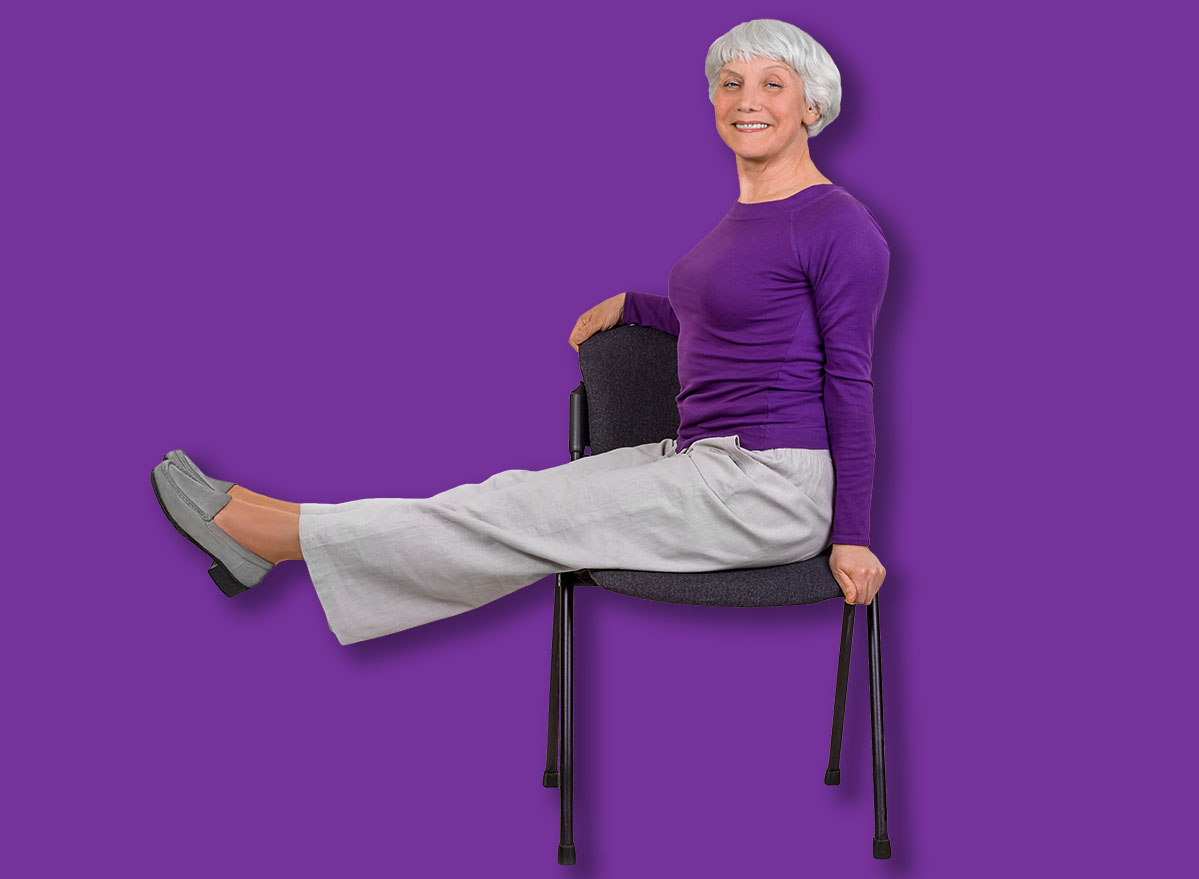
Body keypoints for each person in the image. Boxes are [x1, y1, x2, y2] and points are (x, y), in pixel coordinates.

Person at [151, 19, 889, 646]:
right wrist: (639, 305)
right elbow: (739, 318)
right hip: (706, 463)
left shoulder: (837, 224)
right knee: (507, 493)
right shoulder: (745, 218)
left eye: (772, 83)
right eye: (730, 82)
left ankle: (278, 538)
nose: (746, 99)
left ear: (811, 107)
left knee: (511, 514)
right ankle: (282, 527)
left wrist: (851, 534)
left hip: (769, 489)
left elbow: (848, 381)